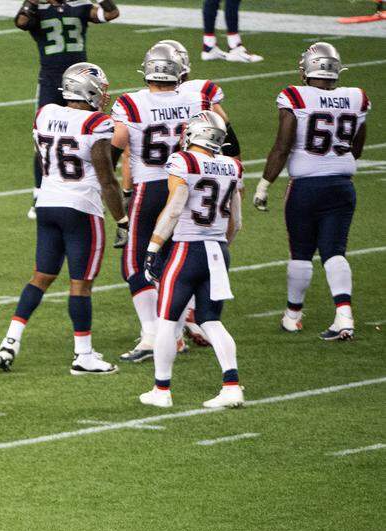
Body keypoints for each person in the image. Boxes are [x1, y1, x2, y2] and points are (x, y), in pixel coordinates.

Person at [0, 62, 123, 376]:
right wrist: (123, 220)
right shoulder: (96, 123)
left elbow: (41, 156)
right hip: (81, 206)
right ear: (89, 90)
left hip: (48, 202)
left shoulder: (46, 113)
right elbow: (106, 178)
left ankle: (11, 339)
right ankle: (83, 355)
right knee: (81, 284)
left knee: (41, 276)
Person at [254, 43, 370, 342]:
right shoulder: (356, 97)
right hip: (342, 186)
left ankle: (293, 316)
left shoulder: (295, 96)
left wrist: (265, 184)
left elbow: (282, 146)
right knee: (335, 251)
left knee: (302, 252)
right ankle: (344, 315)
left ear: (307, 69)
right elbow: (356, 148)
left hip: (306, 186)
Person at [111, 44, 211, 363]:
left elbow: (115, 149)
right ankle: (175, 332)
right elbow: (222, 140)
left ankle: (153, 334)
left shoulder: (132, 103)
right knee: (173, 261)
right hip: (186, 185)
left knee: (135, 263)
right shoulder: (193, 99)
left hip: (150, 187)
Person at [139, 111, 244, 409]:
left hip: (188, 249)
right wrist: (220, 246)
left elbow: (174, 208)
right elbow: (236, 221)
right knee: (211, 320)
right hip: (218, 249)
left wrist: (153, 247)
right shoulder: (233, 166)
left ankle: (161, 390)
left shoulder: (184, 161)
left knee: (166, 320)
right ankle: (231, 385)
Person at [15, 0, 119, 219]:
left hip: (83, 82)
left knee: (92, 135)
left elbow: (111, 13)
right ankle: (39, 192)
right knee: (44, 137)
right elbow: (22, 22)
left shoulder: (80, 6)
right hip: (51, 80)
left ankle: (91, 189)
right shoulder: (39, 10)